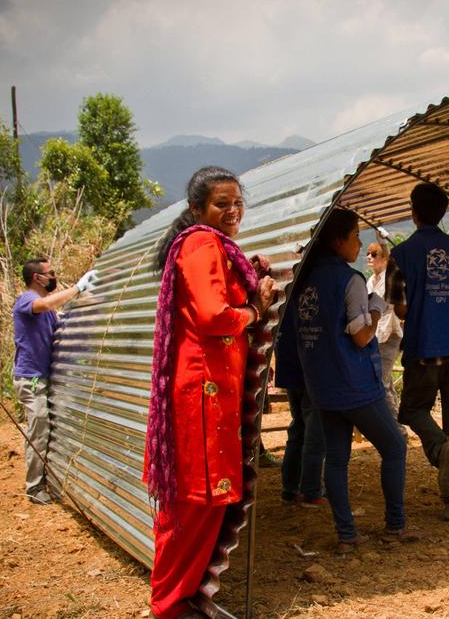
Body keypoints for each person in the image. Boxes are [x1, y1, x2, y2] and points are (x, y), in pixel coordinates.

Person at [142, 166, 276, 619]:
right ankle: (168, 603)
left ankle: (178, 597)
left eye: (238, 202)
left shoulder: (214, 246)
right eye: (222, 203)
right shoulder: (201, 243)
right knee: (193, 501)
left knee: (204, 500)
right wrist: (253, 310)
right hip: (202, 392)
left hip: (211, 390)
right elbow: (214, 315)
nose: (233, 210)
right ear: (198, 209)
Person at [294, 207, 415, 552]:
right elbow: (362, 337)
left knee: (336, 458)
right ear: (337, 240)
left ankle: (347, 535)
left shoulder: (305, 279)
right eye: (356, 236)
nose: (360, 244)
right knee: (394, 446)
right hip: (355, 384)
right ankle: (396, 524)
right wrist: (377, 307)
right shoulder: (351, 280)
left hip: (321, 384)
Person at [388, 182, 449, 522]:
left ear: (413, 211)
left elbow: (403, 310)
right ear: (443, 212)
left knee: (412, 410)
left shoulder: (402, 253)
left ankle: (441, 449)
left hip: (424, 349)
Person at [12, 258, 97, 505]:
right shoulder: (27, 300)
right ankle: (34, 487)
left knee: (47, 428)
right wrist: (77, 288)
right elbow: (45, 303)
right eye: (51, 273)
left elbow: (61, 327)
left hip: (45, 376)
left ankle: (45, 478)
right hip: (31, 378)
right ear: (37, 278)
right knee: (38, 428)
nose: (54, 276)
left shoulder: (48, 313)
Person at [275, 297, 327, 508]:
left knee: (298, 428)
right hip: (310, 370)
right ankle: (311, 490)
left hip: (289, 369)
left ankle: (289, 489)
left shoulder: (286, 292)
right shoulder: (315, 290)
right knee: (315, 432)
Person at [365, 239, 403, 416]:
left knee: (381, 381)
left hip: (389, 333)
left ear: (385, 258)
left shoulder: (390, 278)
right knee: (382, 381)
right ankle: (394, 421)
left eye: (374, 254)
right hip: (374, 334)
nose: (369, 257)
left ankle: (395, 428)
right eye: (368, 254)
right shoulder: (371, 280)